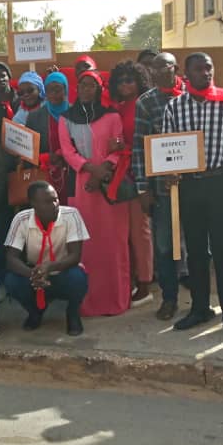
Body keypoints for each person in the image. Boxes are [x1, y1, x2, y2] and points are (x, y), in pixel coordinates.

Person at [162, 53, 223, 343]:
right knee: (197, 252)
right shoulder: (174, 107)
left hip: (218, 184)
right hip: (189, 186)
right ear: (186, 74)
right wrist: (169, 173)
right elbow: (167, 148)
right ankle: (200, 309)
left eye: (209, 68)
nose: (206, 73)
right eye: (199, 69)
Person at [59, 71, 131, 317]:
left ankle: (116, 300)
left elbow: (118, 146)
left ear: (100, 90)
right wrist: (91, 170)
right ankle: (87, 302)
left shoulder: (112, 116)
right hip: (81, 186)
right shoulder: (65, 118)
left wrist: (103, 171)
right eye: (82, 85)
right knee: (86, 245)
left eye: (92, 85)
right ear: (76, 89)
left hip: (110, 185)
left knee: (113, 244)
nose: (86, 89)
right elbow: (68, 152)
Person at [132, 52, 187, 320]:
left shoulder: (194, 96)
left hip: (197, 187)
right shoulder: (146, 103)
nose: (158, 72)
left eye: (164, 67)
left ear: (175, 68)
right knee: (164, 246)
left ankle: (200, 300)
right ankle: (169, 298)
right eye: (153, 69)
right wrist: (143, 188)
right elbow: (140, 148)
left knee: (199, 244)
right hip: (162, 189)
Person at [4, 181, 90, 336]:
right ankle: (35, 312)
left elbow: (75, 256)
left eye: (55, 199)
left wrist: (49, 267)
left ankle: (72, 313)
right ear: (33, 204)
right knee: (12, 281)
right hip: (33, 273)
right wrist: (34, 274)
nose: (55, 204)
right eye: (47, 201)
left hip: (62, 271)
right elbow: (11, 258)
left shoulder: (71, 215)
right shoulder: (21, 219)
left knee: (79, 277)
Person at [110, 60, 154, 306]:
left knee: (141, 231)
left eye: (130, 80)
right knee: (123, 233)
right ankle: (130, 280)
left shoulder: (143, 106)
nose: (125, 84)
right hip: (119, 175)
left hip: (139, 173)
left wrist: (124, 148)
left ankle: (146, 284)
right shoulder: (118, 106)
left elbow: (145, 141)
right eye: (121, 80)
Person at [24, 72, 70, 202]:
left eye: (58, 89)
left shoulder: (76, 113)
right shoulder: (34, 116)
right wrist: (45, 157)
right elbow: (28, 152)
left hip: (72, 175)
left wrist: (64, 156)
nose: (54, 94)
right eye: (50, 90)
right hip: (44, 174)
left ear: (65, 90)